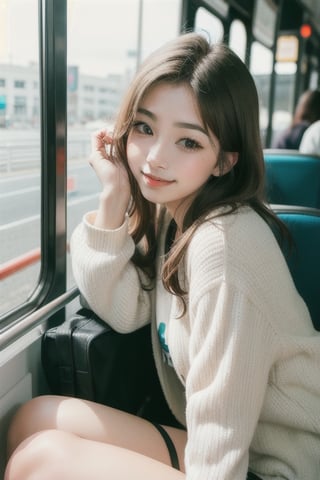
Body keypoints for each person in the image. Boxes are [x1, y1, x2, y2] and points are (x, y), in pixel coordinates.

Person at [5, 33, 320, 480]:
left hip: (280, 468)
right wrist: (114, 196)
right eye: (145, 127)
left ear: (224, 161)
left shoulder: (225, 245)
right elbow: (124, 308)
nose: (154, 158)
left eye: (188, 143)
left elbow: (222, 432)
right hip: (237, 445)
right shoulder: (177, 215)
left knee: (41, 461)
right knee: (31, 420)